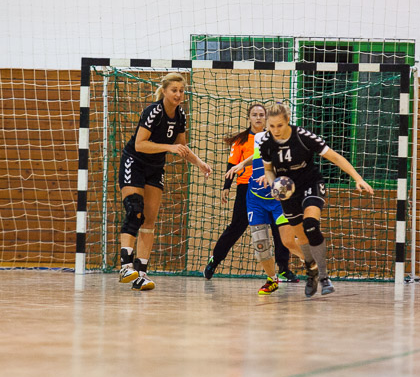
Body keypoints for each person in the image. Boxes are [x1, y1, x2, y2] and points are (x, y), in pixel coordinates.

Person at [259, 103, 374, 297]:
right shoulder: (266, 143)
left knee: (311, 225)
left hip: (310, 184)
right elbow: (268, 170)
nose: (275, 130)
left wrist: (358, 178)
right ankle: (311, 270)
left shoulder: (303, 137)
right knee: (302, 238)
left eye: (279, 125)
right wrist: (274, 185)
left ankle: (324, 276)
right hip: (288, 192)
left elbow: (335, 157)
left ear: (288, 121)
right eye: (271, 126)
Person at [118, 72, 212, 291]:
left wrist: (200, 163)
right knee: (135, 210)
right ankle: (125, 267)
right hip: (135, 162)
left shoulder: (180, 115)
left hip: (155, 168)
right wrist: (169, 147)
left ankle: (141, 275)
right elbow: (140, 144)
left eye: (181, 91)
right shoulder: (153, 111)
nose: (178, 94)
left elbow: (181, 147)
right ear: (165, 91)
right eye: (174, 90)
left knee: (149, 221)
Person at [204, 103, 298, 282]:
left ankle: (284, 269)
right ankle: (215, 260)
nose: (258, 117)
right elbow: (232, 164)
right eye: (254, 114)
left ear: (266, 118)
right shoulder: (241, 140)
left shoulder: (273, 137)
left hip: (271, 185)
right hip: (246, 187)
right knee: (237, 226)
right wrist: (226, 186)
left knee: (279, 227)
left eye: (261, 114)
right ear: (249, 118)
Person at [225, 129, 306, 295]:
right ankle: (272, 279)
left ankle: (310, 260)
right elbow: (257, 156)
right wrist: (242, 164)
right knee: (260, 245)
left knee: (288, 242)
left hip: (278, 200)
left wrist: (271, 175)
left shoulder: (289, 141)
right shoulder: (260, 137)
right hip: (255, 198)